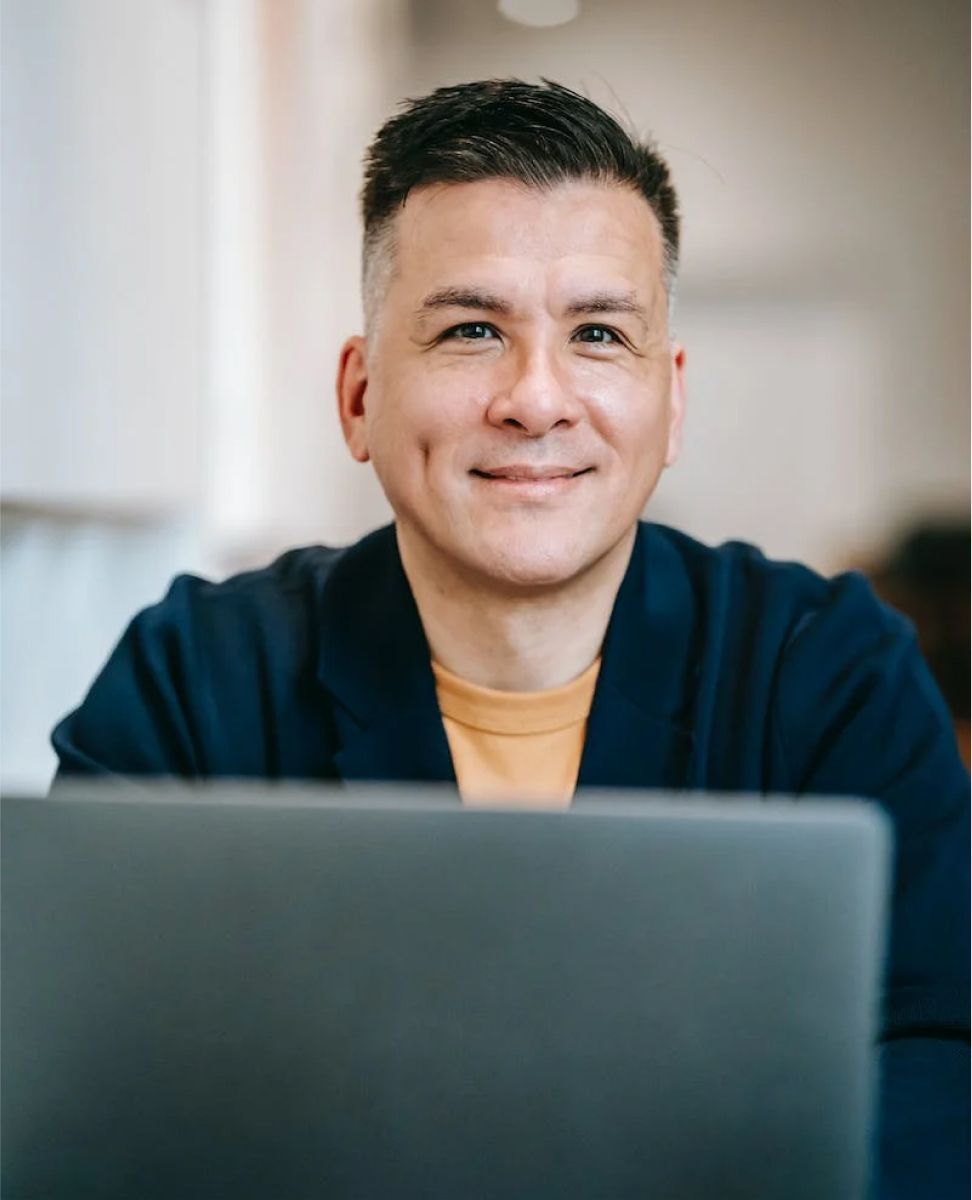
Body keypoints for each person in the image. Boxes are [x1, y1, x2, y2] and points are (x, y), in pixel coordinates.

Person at [52, 79, 968, 1195]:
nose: (538, 399)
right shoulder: (191, 681)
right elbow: (90, 1094)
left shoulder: (830, 674)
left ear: (669, 401)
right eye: (472, 330)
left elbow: (939, 1058)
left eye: (597, 334)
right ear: (358, 395)